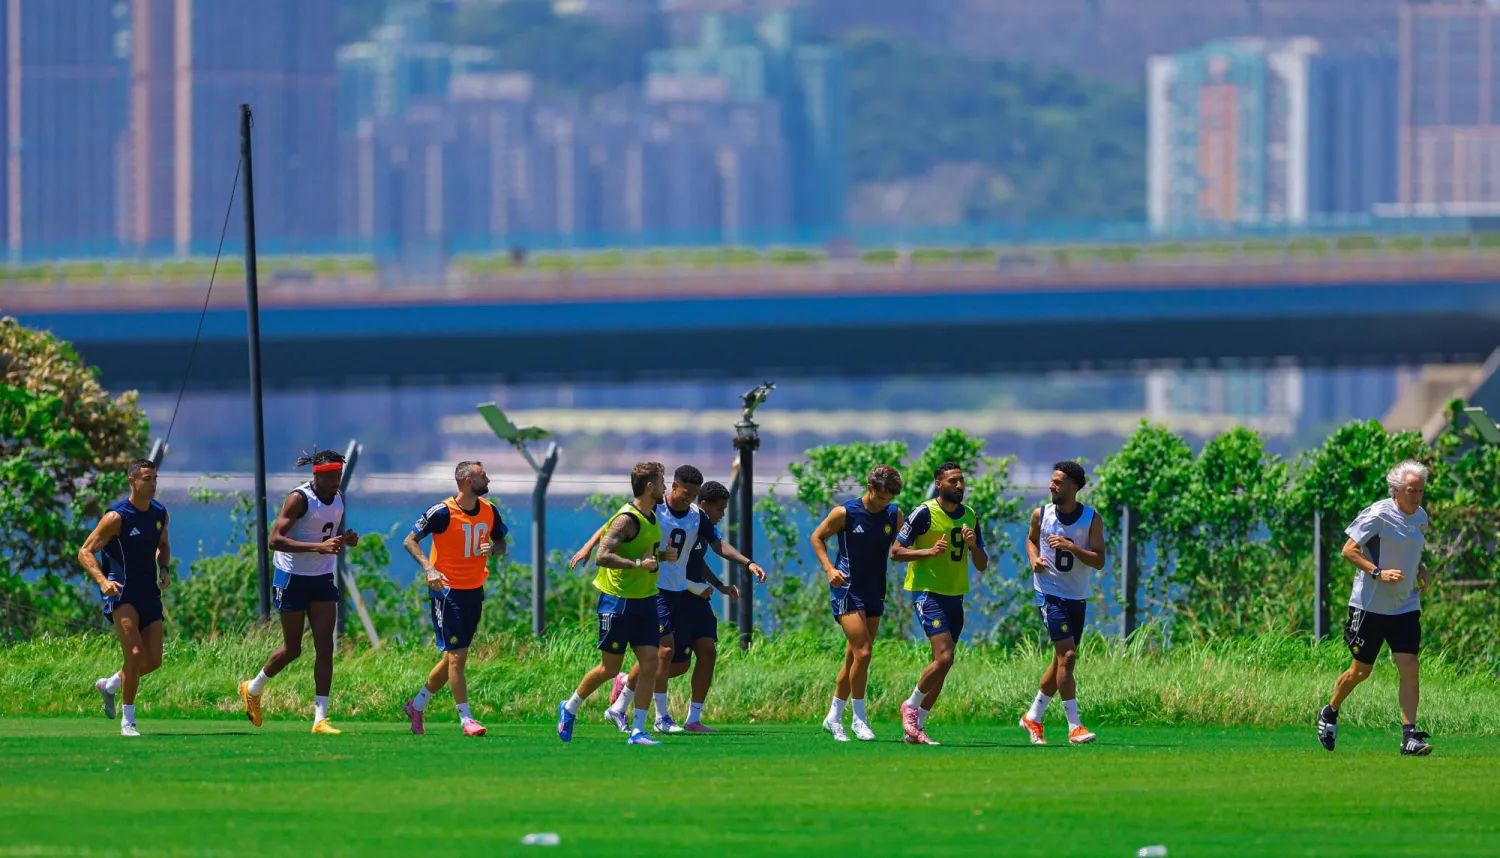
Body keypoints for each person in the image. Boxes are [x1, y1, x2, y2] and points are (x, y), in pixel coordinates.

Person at [575, 468, 766, 734]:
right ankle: (660, 717)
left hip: (680, 592)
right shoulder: (655, 508)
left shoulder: (697, 515)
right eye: (687, 492)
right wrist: (589, 546)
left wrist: (748, 563)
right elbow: (617, 523)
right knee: (663, 652)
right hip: (655, 590)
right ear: (674, 486)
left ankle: (667, 712)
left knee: (683, 661)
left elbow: (717, 545)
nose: (690, 498)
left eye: (694, 495)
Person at [1318, 459, 1434, 756]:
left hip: (1405, 604)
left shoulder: (1420, 516)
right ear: (1396, 490)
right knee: (1361, 671)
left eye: (1421, 490)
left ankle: (1409, 737)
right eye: (1412, 490)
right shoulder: (1378, 514)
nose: (1417, 496)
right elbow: (1348, 550)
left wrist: (1419, 568)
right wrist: (1378, 573)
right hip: (1370, 606)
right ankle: (1330, 711)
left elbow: (1409, 550)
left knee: (1409, 665)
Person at [239, 450, 359, 735]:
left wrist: (346, 539)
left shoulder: (339, 497)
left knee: (325, 646)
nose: (337, 481)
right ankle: (253, 688)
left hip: (322, 577)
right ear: (318, 475)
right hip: (292, 576)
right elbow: (274, 540)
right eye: (332, 476)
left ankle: (320, 719)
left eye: (339, 475)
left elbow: (327, 531)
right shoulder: (299, 499)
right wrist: (319, 547)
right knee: (292, 649)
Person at [557, 462, 676, 746]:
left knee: (650, 663)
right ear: (650, 486)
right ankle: (570, 706)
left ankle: (638, 731)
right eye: (662, 482)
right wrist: (637, 564)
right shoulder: (627, 518)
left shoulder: (651, 515)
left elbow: (645, 554)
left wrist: (661, 557)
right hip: (618, 601)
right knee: (609, 669)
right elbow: (603, 556)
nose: (665, 487)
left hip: (645, 599)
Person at [401, 461, 508, 737]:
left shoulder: (490, 510)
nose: (488, 479)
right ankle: (466, 719)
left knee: (452, 657)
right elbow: (410, 540)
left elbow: (501, 544)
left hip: (474, 590)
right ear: (469, 481)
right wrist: (429, 568)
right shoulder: (442, 512)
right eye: (483, 475)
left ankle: (416, 705)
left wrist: (493, 549)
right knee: (458, 657)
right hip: (446, 592)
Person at [892, 462, 988, 745]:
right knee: (944, 657)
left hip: (955, 595)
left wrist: (974, 545)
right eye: (953, 481)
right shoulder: (924, 513)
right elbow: (896, 552)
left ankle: (917, 728)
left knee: (944, 663)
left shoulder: (970, 515)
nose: (959, 486)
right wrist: (928, 552)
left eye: (961, 481)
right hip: (927, 592)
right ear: (939, 484)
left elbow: (982, 564)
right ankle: (910, 706)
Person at [809, 465, 904, 742]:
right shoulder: (845, 513)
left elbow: (901, 548)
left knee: (854, 656)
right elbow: (817, 537)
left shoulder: (893, 514)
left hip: (875, 589)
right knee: (864, 652)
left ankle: (833, 717)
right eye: (881, 497)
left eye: (889, 498)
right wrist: (829, 569)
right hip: (847, 588)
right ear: (870, 488)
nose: (884, 502)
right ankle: (859, 719)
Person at [78, 458, 172, 737]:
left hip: (149, 593)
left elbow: (163, 546)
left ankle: (109, 685)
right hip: (122, 593)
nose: (153, 484)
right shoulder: (116, 517)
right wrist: (102, 581)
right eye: (147, 479)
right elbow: (85, 552)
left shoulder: (159, 513)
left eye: (155, 478)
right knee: (134, 654)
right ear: (133, 481)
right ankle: (128, 720)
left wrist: (164, 569)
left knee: (153, 661)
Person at [1020, 461, 1105, 746]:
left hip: (1077, 595)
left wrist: (1072, 547)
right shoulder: (1041, 514)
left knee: (1061, 660)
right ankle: (1074, 726)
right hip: (1049, 592)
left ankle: (1033, 716)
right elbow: (1031, 541)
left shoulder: (1091, 519)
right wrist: (1034, 559)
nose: (1051, 486)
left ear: (1074, 487)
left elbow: (1099, 560)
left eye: (1058, 482)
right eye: (1052, 480)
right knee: (1067, 657)